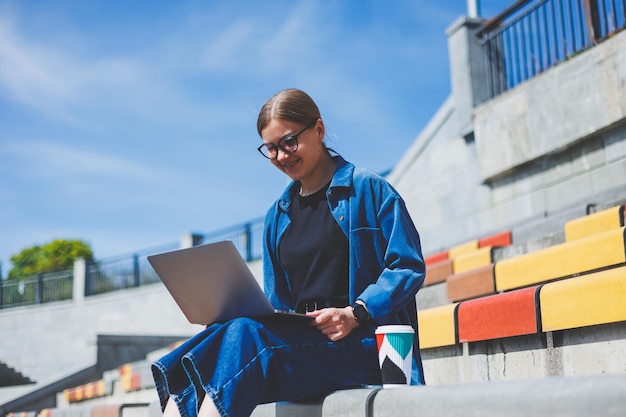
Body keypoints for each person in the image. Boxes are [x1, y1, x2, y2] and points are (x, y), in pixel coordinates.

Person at [152, 88, 426, 417]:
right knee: (217, 335)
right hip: (304, 346)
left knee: (242, 335)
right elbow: (278, 303)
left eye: (289, 142)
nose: (282, 155)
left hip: (366, 345)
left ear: (319, 130)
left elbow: (407, 265)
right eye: (271, 148)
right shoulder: (276, 217)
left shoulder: (367, 188)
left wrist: (355, 313)